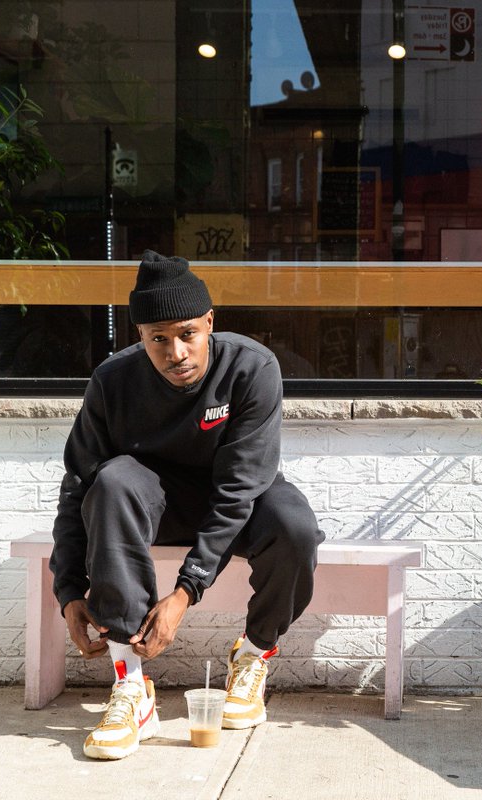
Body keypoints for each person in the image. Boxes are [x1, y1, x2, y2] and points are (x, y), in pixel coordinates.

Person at [49, 250, 323, 760]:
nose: (176, 351)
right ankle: (131, 688)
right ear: (141, 337)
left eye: (187, 333)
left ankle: (253, 653)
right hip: (154, 500)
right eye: (159, 338)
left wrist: (184, 593)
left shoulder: (252, 368)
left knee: (295, 528)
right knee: (110, 484)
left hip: (238, 495)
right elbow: (77, 486)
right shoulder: (113, 381)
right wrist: (67, 589)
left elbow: (239, 489)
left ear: (210, 324)